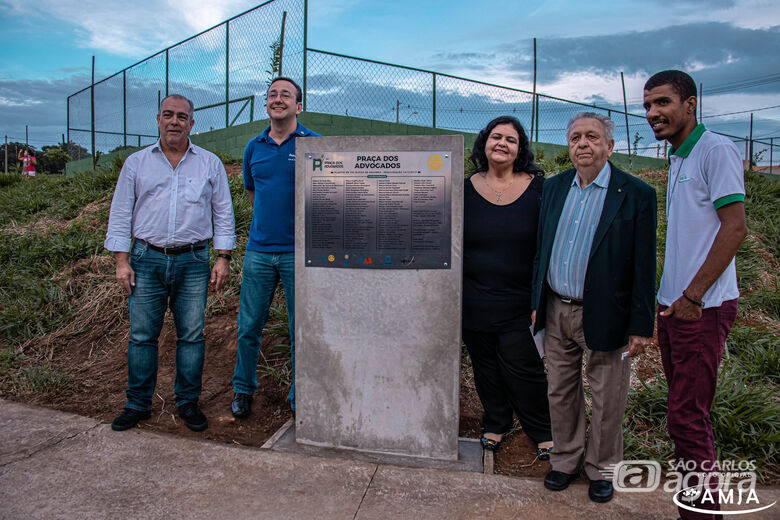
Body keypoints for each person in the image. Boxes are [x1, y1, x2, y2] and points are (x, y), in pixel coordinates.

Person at [532, 112, 657, 503]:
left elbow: (644, 264)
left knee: (607, 397)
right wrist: (536, 303)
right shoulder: (554, 188)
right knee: (560, 390)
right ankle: (565, 460)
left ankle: (602, 469)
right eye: (575, 138)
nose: (582, 144)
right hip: (556, 308)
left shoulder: (635, 194)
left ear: (609, 146)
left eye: (591, 137)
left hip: (607, 312)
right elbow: (541, 250)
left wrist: (641, 325)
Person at [644, 70, 747, 520]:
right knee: (683, 415)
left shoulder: (715, 149)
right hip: (676, 307)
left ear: (691, 104)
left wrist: (694, 296)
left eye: (662, 102)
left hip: (700, 308)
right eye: (648, 106)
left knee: (687, 417)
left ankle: (702, 514)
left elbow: (735, 228)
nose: (653, 113)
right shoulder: (678, 156)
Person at [104, 94, 236, 432]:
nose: (174, 121)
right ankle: (137, 404)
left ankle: (188, 402)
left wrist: (223, 258)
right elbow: (120, 212)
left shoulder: (209, 163)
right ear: (158, 119)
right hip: (145, 259)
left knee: (191, 335)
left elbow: (223, 212)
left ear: (191, 123)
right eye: (168, 115)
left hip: (193, 261)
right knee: (142, 336)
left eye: (181, 116)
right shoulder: (136, 163)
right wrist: (121, 261)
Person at [462, 116, 553, 459]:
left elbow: (547, 247)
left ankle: (542, 430)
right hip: (474, 298)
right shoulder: (463, 188)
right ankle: (496, 422)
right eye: (496, 137)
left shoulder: (540, 189)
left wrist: (541, 298)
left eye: (510, 140)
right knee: (485, 366)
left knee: (524, 367)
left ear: (520, 149)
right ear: (484, 143)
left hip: (521, 301)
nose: (502, 143)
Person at [230, 77, 320, 417]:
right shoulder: (253, 147)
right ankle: (242, 390)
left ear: (299, 105)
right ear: (266, 104)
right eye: (272, 94)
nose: (277, 99)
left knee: (302, 330)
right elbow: (253, 193)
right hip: (258, 252)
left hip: (301, 254)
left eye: (285, 94)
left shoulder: (315, 145)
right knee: (248, 327)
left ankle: (301, 398)